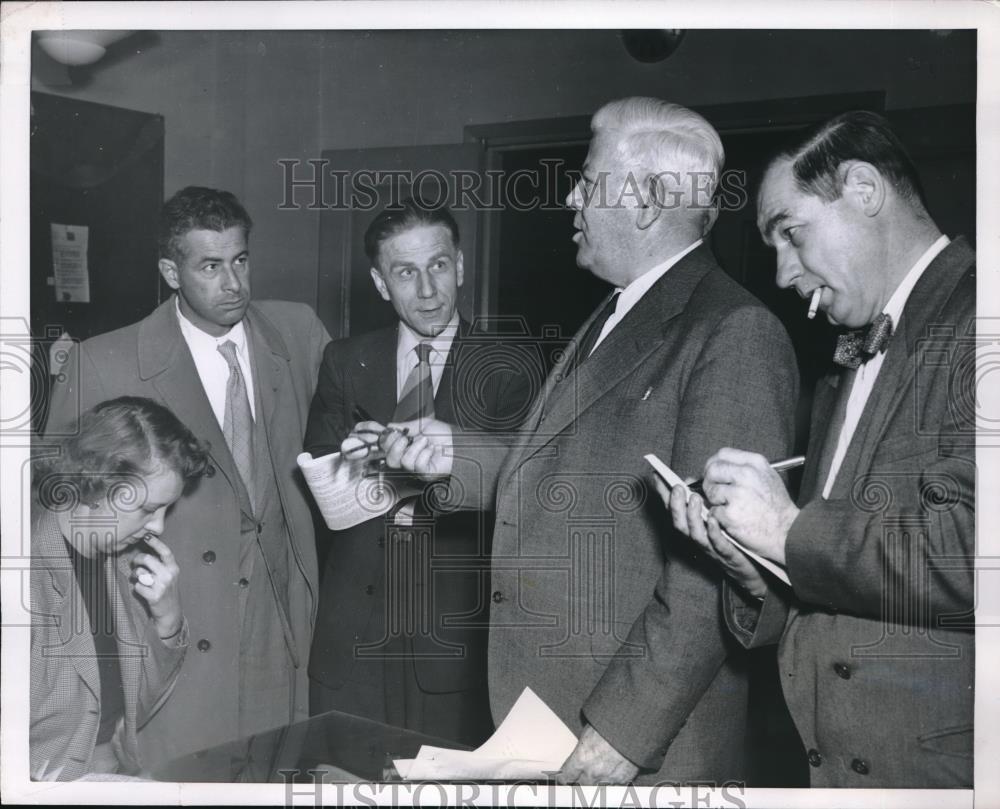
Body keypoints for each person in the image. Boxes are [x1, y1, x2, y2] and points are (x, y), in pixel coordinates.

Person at [368, 97, 799, 783]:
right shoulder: (617, 307)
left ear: (649, 203)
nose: (571, 195)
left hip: (636, 749)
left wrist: (624, 735)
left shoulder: (732, 331)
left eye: (588, 179)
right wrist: (462, 454)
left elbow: (711, 574)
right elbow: (586, 468)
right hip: (551, 719)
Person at [665, 111, 975, 787]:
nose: (781, 274)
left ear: (863, 190)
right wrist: (754, 561)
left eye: (791, 233)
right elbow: (840, 577)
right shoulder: (844, 362)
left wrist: (787, 527)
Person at [44, 187, 331, 767]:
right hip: (172, 618)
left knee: (277, 776)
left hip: (281, 619)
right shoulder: (104, 361)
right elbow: (56, 509)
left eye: (241, 260)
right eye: (210, 266)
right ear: (171, 272)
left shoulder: (298, 334)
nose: (234, 285)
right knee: (189, 777)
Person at [303, 196, 532, 745]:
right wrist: (350, 463)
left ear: (460, 265)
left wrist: (438, 465)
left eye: (438, 266)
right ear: (382, 283)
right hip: (354, 625)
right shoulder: (344, 359)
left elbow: (524, 493)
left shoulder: (511, 366)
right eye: (406, 272)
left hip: (454, 630)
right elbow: (315, 474)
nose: (427, 290)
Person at [31, 396, 210, 781]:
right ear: (96, 483)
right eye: (148, 509)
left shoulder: (124, 564)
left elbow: (126, 711)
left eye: (166, 510)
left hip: (111, 779)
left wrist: (167, 621)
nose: (159, 528)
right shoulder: (22, 576)